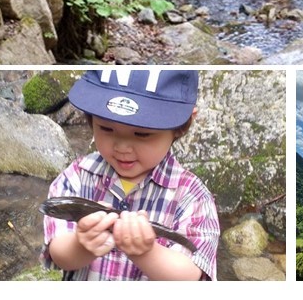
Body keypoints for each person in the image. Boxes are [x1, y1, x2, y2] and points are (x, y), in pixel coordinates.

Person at [42, 69, 219, 281]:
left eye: (142, 133)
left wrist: (146, 252)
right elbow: (58, 253)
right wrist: (82, 244)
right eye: (107, 128)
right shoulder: (77, 177)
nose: (122, 147)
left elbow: (191, 275)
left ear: (181, 127)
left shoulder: (192, 196)